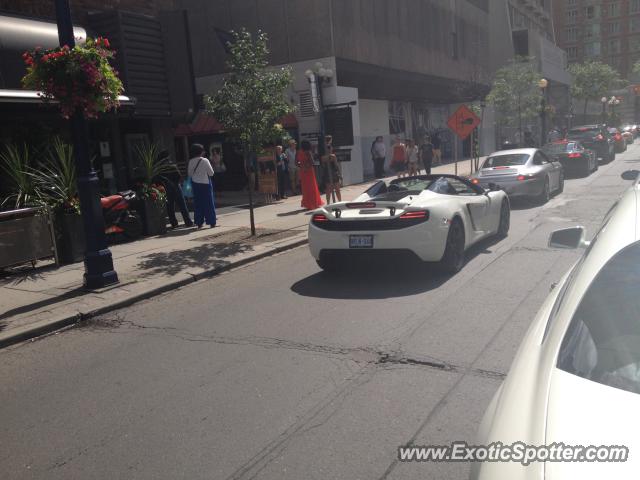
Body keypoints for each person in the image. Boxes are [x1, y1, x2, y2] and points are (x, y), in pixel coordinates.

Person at [187, 143, 216, 229]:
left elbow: (189, 174)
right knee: (209, 203)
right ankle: (211, 222)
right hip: (205, 183)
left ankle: (199, 222)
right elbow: (211, 173)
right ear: (201, 151)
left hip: (195, 184)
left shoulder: (191, 161)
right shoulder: (205, 160)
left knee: (198, 204)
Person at [158, 161, 193, 229]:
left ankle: (174, 223)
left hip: (167, 189)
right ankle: (188, 222)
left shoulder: (160, 169)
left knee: (170, 207)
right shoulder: (172, 166)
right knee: (182, 206)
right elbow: (178, 176)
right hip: (176, 187)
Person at [296, 140, 324, 210]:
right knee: (312, 187)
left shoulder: (298, 152)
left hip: (303, 171)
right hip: (309, 171)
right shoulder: (308, 152)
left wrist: (302, 166)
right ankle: (314, 203)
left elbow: (296, 162)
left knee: (305, 188)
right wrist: (306, 167)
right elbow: (312, 162)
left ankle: (307, 204)